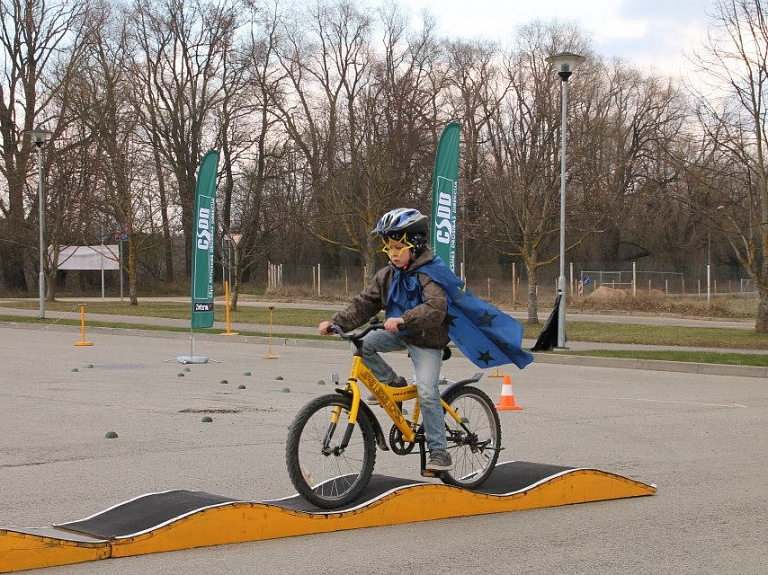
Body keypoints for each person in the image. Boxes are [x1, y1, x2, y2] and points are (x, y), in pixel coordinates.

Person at [318, 208, 453, 475]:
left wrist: (404, 318)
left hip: (427, 338)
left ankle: (440, 450)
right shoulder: (387, 275)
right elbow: (363, 303)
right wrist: (336, 323)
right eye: (389, 247)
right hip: (399, 332)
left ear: (414, 246)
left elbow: (437, 308)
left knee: (426, 391)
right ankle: (393, 383)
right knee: (360, 343)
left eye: (398, 247)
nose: (393, 253)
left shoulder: (430, 273)